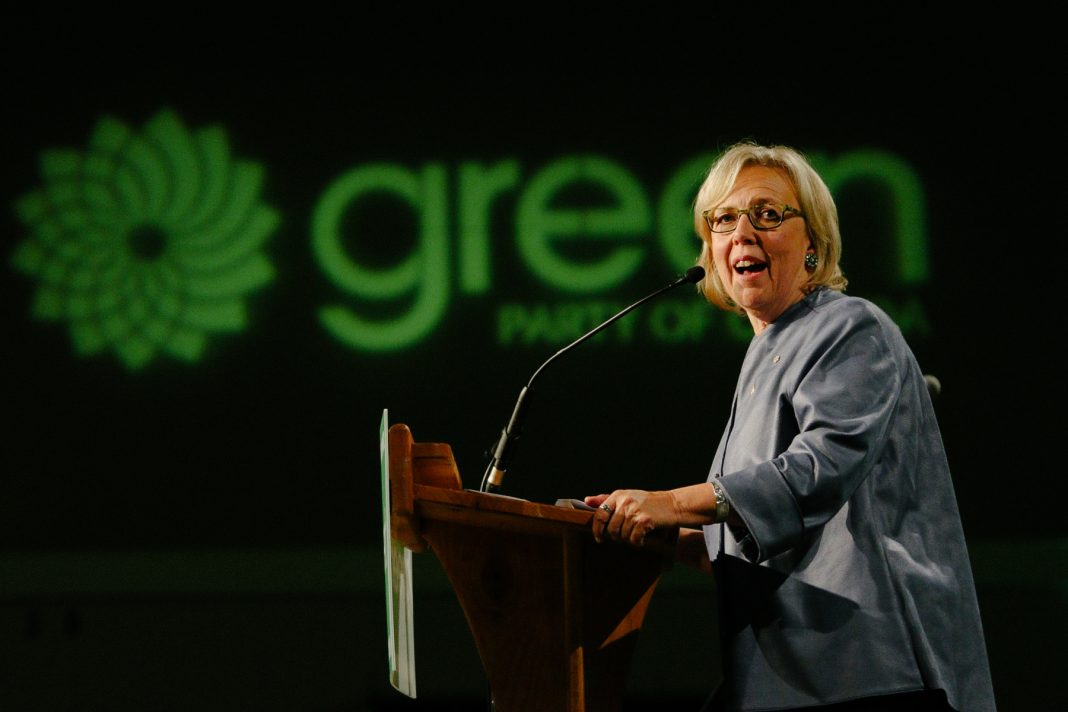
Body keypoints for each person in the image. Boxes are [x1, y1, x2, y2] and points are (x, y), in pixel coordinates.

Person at [584, 141, 996, 711]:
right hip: (780, 675)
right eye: (723, 220)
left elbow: (818, 470)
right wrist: (662, 539)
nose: (742, 233)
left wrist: (671, 503)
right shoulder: (762, 357)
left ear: (813, 244)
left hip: (868, 671)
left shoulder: (851, 326)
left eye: (768, 214)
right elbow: (754, 535)